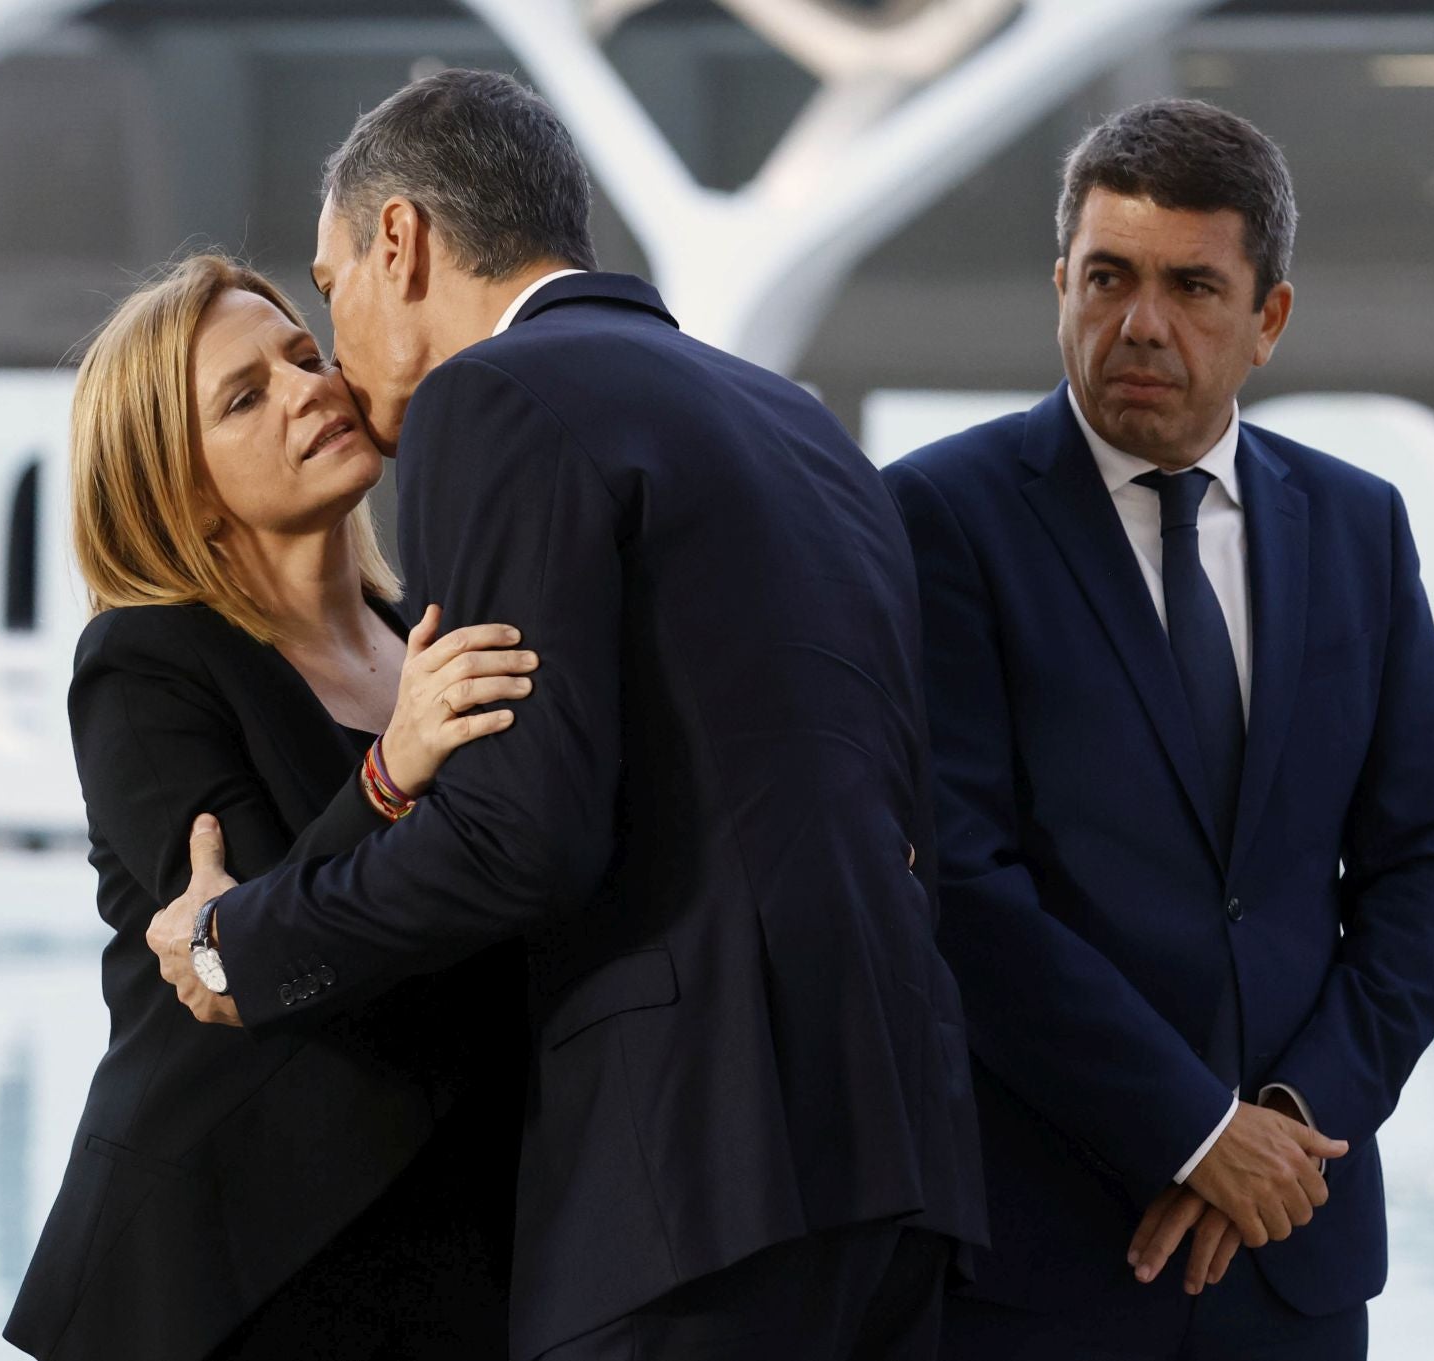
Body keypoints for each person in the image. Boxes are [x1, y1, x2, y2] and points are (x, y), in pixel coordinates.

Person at [146, 69, 988, 1361]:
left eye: (330, 288)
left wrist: (242, 946)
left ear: (402, 242)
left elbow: (518, 834)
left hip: (689, 1187)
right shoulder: (803, 425)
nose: (335, 345)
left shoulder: (495, 400)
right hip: (907, 1170)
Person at [883, 100, 1434, 1359]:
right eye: (1108, 277)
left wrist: (1288, 1123)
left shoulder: (1359, 527)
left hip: (1289, 1251)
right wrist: (1194, 1131)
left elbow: (1423, 863)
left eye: (1192, 286)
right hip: (1047, 1258)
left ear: (1268, 319)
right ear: (1060, 284)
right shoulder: (942, 516)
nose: (1141, 322)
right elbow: (962, 882)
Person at [3, 253, 539, 1361]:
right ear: (180, 485)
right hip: (225, 1276)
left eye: (303, 354)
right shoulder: (146, 661)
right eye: (245, 397)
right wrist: (392, 769)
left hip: (451, 1256)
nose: (310, 387)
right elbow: (257, 959)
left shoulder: (430, 635)